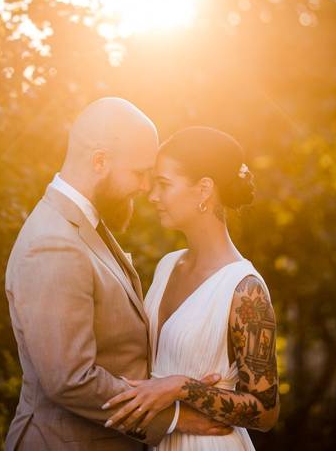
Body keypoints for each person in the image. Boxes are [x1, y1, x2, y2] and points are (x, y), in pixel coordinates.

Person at [4, 99, 232, 450]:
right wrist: (173, 418)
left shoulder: (85, 227)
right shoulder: (53, 243)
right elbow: (70, 379)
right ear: (99, 162)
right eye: (140, 173)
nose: (145, 188)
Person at [103, 126, 279, 450]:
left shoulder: (245, 289)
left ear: (203, 189)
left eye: (164, 184)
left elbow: (266, 412)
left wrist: (182, 388)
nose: (152, 195)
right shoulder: (167, 266)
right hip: (158, 438)